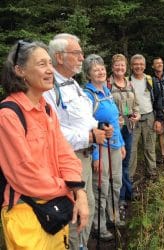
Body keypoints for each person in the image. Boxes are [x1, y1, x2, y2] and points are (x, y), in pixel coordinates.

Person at [0, 40, 89, 249]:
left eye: (50, 63)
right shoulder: (8, 115)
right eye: (41, 64)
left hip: (55, 211)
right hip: (26, 214)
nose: (50, 70)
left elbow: (65, 153)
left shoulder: (47, 109)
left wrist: (79, 190)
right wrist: (67, 188)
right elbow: (25, 174)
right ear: (20, 70)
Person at [43, 33, 113, 249]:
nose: (82, 58)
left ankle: (82, 245)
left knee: (88, 205)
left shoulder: (72, 84)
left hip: (85, 154)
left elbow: (82, 119)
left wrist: (97, 128)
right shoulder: (49, 89)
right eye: (77, 53)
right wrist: (89, 136)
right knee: (75, 210)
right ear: (60, 57)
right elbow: (51, 133)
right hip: (69, 159)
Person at [83, 54, 126, 241]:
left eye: (102, 68)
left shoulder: (107, 91)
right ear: (88, 74)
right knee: (101, 186)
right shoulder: (87, 95)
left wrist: (122, 143)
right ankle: (99, 225)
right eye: (95, 69)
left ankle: (113, 216)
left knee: (116, 183)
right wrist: (95, 157)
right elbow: (87, 127)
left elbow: (115, 121)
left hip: (115, 145)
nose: (100, 71)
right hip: (100, 149)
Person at [107, 54, 140, 208]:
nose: (120, 68)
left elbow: (136, 104)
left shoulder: (130, 84)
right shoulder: (107, 85)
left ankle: (126, 192)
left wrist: (137, 114)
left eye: (122, 65)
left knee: (125, 161)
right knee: (117, 162)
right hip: (115, 130)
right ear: (112, 67)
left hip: (129, 127)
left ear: (126, 67)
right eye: (117, 65)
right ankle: (120, 196)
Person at [128, 54, 157, 182]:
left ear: (144, 66)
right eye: (135, 64)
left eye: (141, 64)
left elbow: (157, 99)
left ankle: (152, 172)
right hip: (132, 119)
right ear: (131, 66)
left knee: (150, 147)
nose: (138, 66)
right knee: (131, 150)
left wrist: (159, 119)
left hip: (149, 117)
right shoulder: (126, 81)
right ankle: (130, 178)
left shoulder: (150, 79)